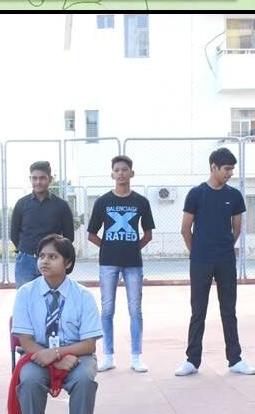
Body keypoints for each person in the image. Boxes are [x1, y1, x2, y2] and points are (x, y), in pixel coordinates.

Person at [175, 147, 255, 377]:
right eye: (226, 169)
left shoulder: (234, 196)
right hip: (200, 261)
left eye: (232, 169)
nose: (230, 173)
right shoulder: (196, 194)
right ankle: (192, 361)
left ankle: (235, 360)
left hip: (226, 260)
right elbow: (185, 229)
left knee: (229, 310)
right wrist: (197, 253)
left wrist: (225, 248)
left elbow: (237, 228)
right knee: (198, 311)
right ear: (213, 167)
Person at [11, 234, 103, 414]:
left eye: (52, 257)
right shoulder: (25, 293)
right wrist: (54, 359)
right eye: (41, 256)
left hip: (76, 355)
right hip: (37, 353)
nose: (44, 261)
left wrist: (57, 354)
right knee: (29, 379)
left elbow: (89, 345)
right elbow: (25, 341)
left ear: (67, 263)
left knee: (84, 379)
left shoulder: (83, 296)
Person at [86, 155, 154, 373]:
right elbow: (91, 234)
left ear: (131, 173)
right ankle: (108, 356)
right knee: (107, 310)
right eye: (117, 170)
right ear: (112, 174)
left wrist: (133, 247)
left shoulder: (141, 202)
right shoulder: (103, 202)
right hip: (108, 263)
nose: (121, 173)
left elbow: (148, 234)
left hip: (133, 263)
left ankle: (136, 356)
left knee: (135, 309)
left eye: (125, 170)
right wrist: (108, 247)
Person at [11, 161, 74, 288]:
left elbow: (69, 237)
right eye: (34, 178)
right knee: (25, 297)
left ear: (50, 179)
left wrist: (52, 255)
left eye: (42, 178)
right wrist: (27, 251)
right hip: (26, 262)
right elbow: (14, 235)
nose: (38, 182)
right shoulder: (21, 204)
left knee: (52, 297)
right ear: (30, 179)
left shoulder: (61, 206)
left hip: (53, 261)